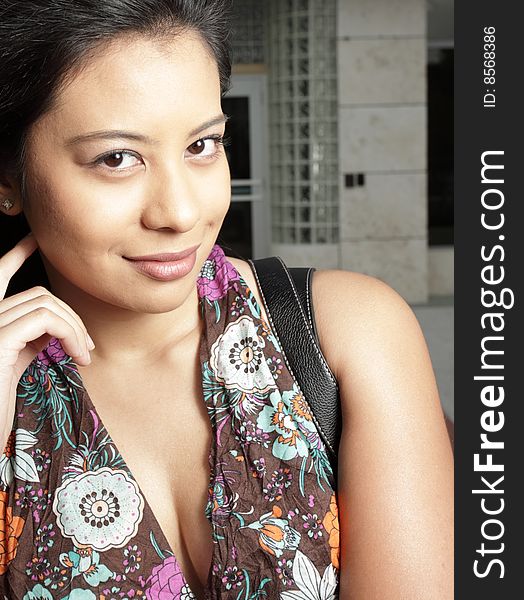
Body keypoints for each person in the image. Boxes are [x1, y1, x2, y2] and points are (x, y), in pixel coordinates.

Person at [0, 1, 453, 598]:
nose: (182, 213)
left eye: (202, 145)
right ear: (9, 177)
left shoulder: (347, 334)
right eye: (117, 158)